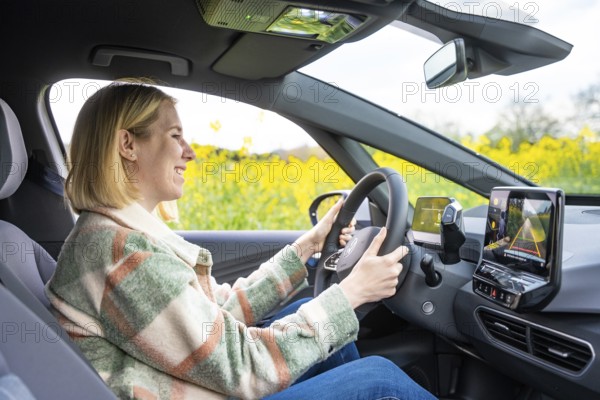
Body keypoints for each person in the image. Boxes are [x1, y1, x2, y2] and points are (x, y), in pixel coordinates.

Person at [45, 80, 436, 400]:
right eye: (176, 135)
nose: (190, 153)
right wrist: (351, 293)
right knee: (379, 381)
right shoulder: (119, 252)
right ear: (128, 145)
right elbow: (242, 368)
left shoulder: (118, 235)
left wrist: (308, 247)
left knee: (305, 313)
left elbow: (220, 313)